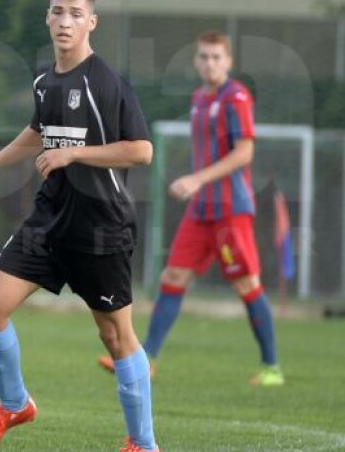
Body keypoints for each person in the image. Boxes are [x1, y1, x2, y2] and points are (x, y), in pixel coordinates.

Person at [0, 0, 162, 452]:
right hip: (49, 220)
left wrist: (74, 155)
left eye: (76, 14)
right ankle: (15, 405)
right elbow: (39, 131)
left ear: (91, 22)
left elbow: (141, 151)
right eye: (58, 12)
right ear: (48, 18)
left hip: (100, 226)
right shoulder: (44, 79)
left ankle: (145, 446)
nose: (65, 21)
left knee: (115, 336)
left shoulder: (107, 83)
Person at [97, 31, 284, 386]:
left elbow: (244, 152)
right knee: (173, 277)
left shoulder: (236, 97)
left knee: (247, 284)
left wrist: (197, 179)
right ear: (196, 61)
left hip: (230, 210)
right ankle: (147, 358)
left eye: (217, 57)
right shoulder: (200, 97)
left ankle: (272, 368)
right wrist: (197, 185)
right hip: (201, 211)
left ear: (228, 62)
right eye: (204, 57)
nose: (210, 63)